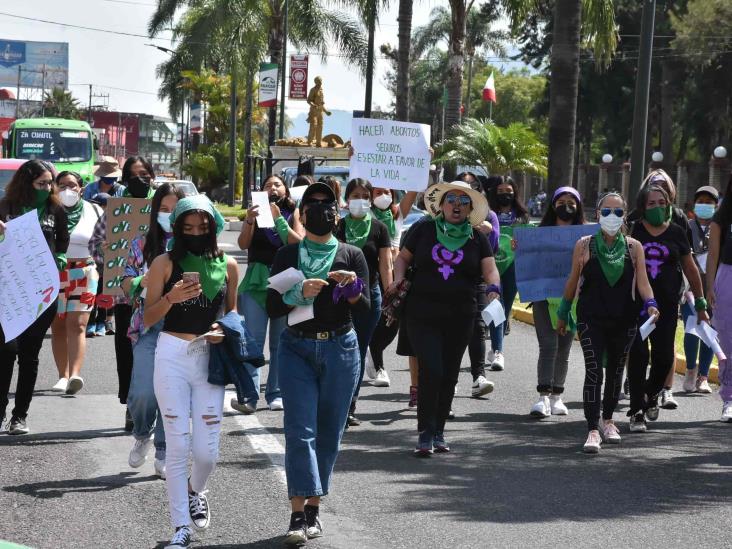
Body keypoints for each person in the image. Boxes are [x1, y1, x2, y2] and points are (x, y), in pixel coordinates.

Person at [266, 182, 369, 545]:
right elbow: (272, 307)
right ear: (303, 212)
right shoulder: (287, 255)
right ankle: (297, 514)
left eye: (328, 204)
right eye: (314, 203)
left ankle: (314, 507)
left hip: (341, 349)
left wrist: (354, 289)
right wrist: (298, 293)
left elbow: (366, 310)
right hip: (296, 349)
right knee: (300, 430)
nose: (322, 209)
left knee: (329, 433)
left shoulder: (352, 254)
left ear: (337, 213)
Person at [143, 195, 238, 548]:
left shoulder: (229, 265)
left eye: (203, 226)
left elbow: (234, 317)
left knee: (207, 453)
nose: (196, 232)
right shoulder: (164, 263)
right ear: (178, 228)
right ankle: (180, 526)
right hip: (171, 356)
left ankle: (196, 489)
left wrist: (223, 329)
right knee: (178, 445)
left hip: (209, 359)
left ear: (213, 226)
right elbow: (147, 318)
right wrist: (171, 298)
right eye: (188, 227)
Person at [393, 181, 500, 455]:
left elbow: (490, 270)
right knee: (432, 369)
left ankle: (439, 430)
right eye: (451, 200)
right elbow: (403, 258)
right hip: (422, 313)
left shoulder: (478, 239)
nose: (456, 205)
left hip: (461, 315)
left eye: (463, 202)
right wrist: (398, 278)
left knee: (450, 373)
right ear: (441, 205)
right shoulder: (423, 229)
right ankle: (425, 433)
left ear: (470, 209)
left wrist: (494, 290)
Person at [557, 193, 659, 453]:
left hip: (624, 318)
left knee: (615, 371)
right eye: (606, 212)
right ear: (597, 215)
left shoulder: (633, 247)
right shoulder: (585, 245)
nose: (611, 217)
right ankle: (592, 428)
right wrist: (563, 310)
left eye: (617, 212)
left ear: (624, 215)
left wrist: (651, 304)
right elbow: (572, 280)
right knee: (594, 370)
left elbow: (643, 283)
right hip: (591, 317)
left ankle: (608, 420)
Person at [627, 184, 708, 432]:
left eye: (662, 203)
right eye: (651, 204)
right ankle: (637, 411)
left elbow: (691, 268)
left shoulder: (676, 232)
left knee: (663, 358)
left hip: (667, 307)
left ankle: (650, 395)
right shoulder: (633, 231)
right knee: (639, 356)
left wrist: (701, 301)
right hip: (637, 307)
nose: (658, 208)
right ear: (642, 207)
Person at [0, 160, 69, 434]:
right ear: (26, 182)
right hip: (9, 293)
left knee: (29, 355)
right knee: (6, 351)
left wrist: (61, 257)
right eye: (41, 183)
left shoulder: (55, 209)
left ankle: (20, 415)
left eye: (49, 183)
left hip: (41, 294)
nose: (47, 188)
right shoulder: (6, 208)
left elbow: (62, 239)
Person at [122, 183, 185, 480]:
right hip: (147, 325)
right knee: (143, 393)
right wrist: (142, 283)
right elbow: (125, 282)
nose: (169, 216)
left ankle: (163, 451)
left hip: (182, 330)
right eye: (163, 209)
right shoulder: (143, 243)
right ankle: (142, 432)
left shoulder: (194, 246)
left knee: (171, 394)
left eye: (175, 210)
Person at [235, 175, 302, 414]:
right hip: (256, 281)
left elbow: (298, 243)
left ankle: (275, 393)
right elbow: (243, 244)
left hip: (284, 282)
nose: (272, 188)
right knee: (252, 341)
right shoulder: (255, 211)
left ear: (285, 190)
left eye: (277, 184)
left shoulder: (293, 212)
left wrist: (278, 220)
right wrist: (250, 221)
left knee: (279, 342)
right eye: (267, 185)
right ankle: (250, 396)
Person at [335, 178, 393, 425]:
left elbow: (386, 265)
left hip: (369, 297)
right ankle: (335, 402)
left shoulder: (380, 228)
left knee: (358, 350)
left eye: (365, 196)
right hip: (338, 298)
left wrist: (390, 296)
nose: (360, 199)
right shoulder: (337, 226)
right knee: (340, 351)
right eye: (355, 195)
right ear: (347, 200)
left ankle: (350, 405)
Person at [529, 187, 586, 418]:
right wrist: (518, 248)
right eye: (561, 201)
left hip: (573, 299)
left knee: (564, 347)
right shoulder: (538, 233)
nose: (566, 205)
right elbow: (526, 259)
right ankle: (543, 395)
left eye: (572, 202)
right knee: (548, 344)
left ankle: (557, 396)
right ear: (553, 206)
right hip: (543, 297)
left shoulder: (588, 236)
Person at [49, 171, 105, 396]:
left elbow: (104, 241)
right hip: (54, 272)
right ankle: (62, 376)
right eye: (61, 185)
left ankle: (74, 374)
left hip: (84, 271)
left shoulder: (95, 210)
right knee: (58, 324)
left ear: (81, 188)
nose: (66, 190)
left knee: (78, 324)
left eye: (71, 185)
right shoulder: (48, 211)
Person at [115, 157, 157, 429]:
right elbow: (99, 244)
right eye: (133, 175)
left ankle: (155, 403)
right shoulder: (117, 208)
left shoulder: (164, 204)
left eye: (144, 174)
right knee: (126, 348)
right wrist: (109, 250)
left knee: (154, 348)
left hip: (158, 291)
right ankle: (131, 404)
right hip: (125, 293)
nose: (139, 179)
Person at [682, 186, 719, 394]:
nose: (705, 205)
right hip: (690, 289)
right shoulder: (687, 227)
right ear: (695, 205)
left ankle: (703, 377)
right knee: (691, 331)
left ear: (716, 205)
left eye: (709, 202)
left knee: (710, 333)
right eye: (701, 201)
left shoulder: (720, 228)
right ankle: (690, 371)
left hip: (714, 288)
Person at [487, 175, 531, 337]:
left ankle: (501, 327)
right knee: (495, 301)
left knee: (508, 301)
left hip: (514, 266)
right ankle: (496, 341)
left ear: (515, 192)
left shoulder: (522, 215)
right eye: (500, 191)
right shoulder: (487, 214)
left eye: (508, 191)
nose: (505, 194)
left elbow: (527, 241)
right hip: (491, 265)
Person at [706, 175, 732, 422]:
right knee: (728, 344)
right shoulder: (722, 218)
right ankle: (729, 400)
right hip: (727, 279)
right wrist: (710, 287)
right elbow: (712, 256)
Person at [86, 192, 114, 337]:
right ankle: (90, 322)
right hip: (92, 263)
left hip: (108, 264)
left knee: (105, 294)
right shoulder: (90, 218)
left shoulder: (113, 219)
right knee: (92, 292)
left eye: (100, 205)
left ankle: (102, 322)